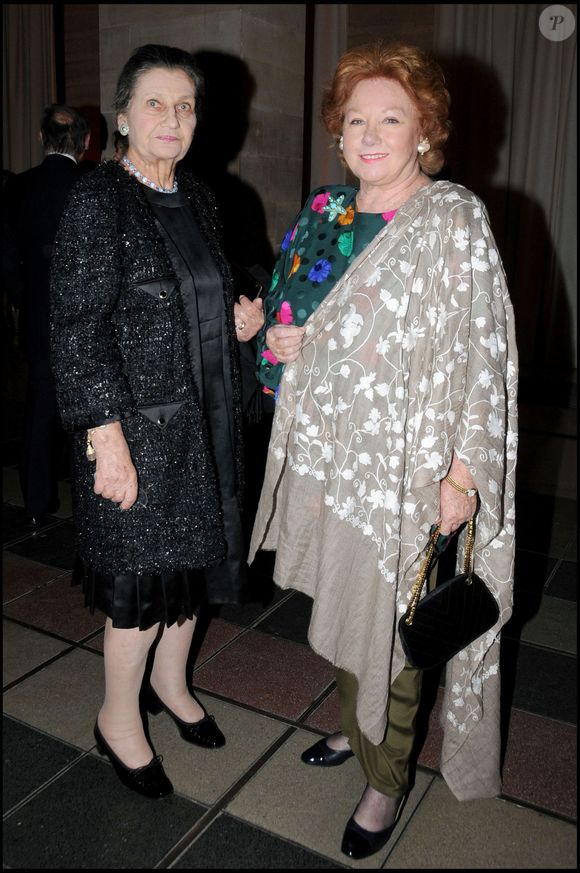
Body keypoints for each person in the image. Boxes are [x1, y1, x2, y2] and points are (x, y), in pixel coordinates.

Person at [249, 42, 517, 859]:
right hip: (337, 458)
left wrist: (464, 476)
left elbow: (484, 353)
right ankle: (351, 728)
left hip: (413, 467)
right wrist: (283, 343)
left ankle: (383, 778)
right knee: (344, 599)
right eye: (356, 119)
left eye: (390, 118)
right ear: (338, 131)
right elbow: (296, 320)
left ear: (425, 130)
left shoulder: (452, 218)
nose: (370, 134)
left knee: (398, 628)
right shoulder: (329, 212)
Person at [50, 44, 264, 799]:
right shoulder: (98, 199)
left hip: (203, 425)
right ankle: (117, 716)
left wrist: (238, 321)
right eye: (155, 103)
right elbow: (75, 327)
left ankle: (172, 687)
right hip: (134, 435)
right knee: (141, 590)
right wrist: (104, 438)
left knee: (194, 569)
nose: (173, 118)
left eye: (186, 105)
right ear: (120, 117)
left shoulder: (199, 196)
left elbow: (203, 290)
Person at [5, 105, 90, 524]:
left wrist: (25, 298)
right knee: (89, 411)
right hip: (87, 319)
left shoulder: (18, 187)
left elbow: (6, 256)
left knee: (39, 412)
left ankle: (37, 504)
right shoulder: (93, 185)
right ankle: (91, 503)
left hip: (38, 316)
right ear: (87, 141)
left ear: (42, 138)